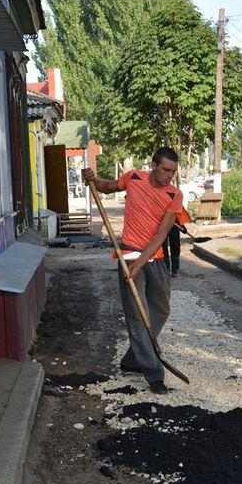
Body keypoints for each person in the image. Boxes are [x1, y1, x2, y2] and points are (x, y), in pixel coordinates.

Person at [82, 147, 183, 394]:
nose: (169, 175)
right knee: (138, 314)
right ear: (154, 165)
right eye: (166, 170)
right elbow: (106, 187)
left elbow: (161, 235)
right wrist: (92, 178)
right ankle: (154, 374)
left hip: (154, 256)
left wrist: (139, 265)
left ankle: (131, 359)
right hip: (128, 253)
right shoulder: (134, 178)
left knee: (161, 308)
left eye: (173, 171)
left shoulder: (174, 195)